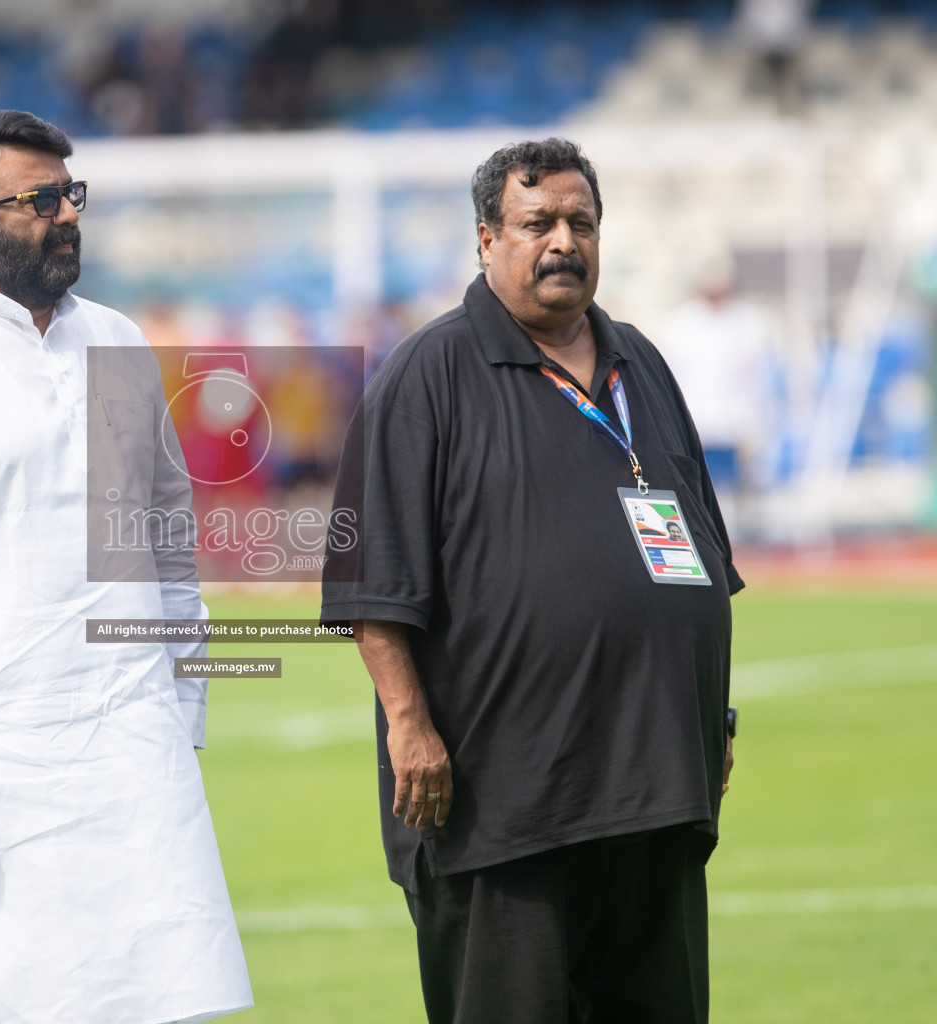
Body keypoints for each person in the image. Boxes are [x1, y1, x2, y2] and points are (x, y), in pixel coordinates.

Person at [0, 110, 251, 1023]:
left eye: (72, 193)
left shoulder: (114, 342)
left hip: (133, 742)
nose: (67, 214)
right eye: (41, 199)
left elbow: (163, 534)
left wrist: (183, 703)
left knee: (158, 995)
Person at [321, 138, 742, 1024]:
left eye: (581, 223)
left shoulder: (644, 365)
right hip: (503, 806)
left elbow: (699, 553)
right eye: (536, 222)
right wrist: (409, 727)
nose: (563, 242)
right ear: (485, 238)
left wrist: (718, 717)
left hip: (656, 791)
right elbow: (369, 584)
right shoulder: (426, 376)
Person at [659, 252, 773, 509]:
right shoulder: (681, 323)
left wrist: (756, 423)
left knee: (737, 502)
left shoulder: (746, 321)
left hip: (735, 426)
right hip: (696, 426)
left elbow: (758, 377)